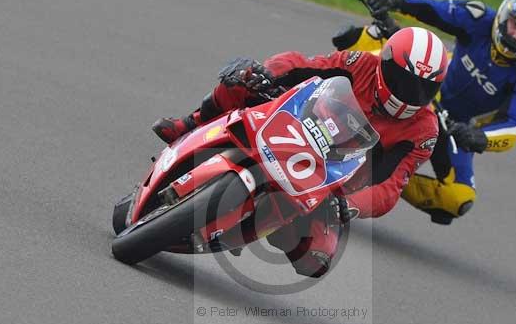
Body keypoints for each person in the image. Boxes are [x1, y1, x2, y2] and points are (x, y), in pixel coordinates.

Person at [151, 27, 447, 277]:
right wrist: (267, 73)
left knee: (315, 260)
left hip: (328, 184)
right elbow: (304, 65)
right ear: (385, 65)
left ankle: (271, 225)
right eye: (404, 80)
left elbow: (389, 187)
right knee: (244, 78)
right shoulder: (360, 63)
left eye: (423, 88)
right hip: (294, 129)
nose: (411, 93)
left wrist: (349, 205)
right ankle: (189, 124)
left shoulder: (424, 130)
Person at [364, 0, 516, 224]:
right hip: (425, 91)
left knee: (457, 198)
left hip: (455, 129)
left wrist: (480, 137)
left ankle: (388, 177)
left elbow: (512, 126)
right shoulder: (479, 18)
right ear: (505, 14)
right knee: (361, 43)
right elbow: (433, 8)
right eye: (515, 25)